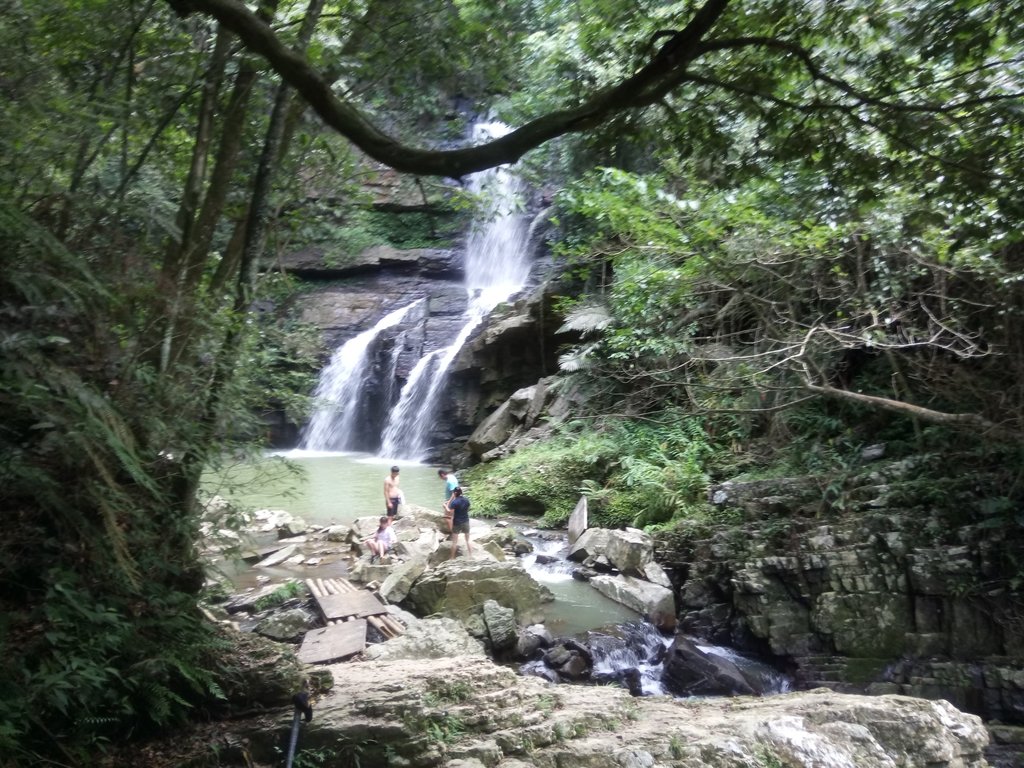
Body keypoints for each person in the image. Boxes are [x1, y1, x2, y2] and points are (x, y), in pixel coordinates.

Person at [443, 486, 472, 560]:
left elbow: (450, 512)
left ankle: (452, 558)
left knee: (455, 542)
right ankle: (471, 556)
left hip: (457, 523)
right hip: (466, 521)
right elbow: (468, 509)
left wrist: (445, 506)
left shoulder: (454, 502)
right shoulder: (466, 500)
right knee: (468, 540)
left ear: (455, 493)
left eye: (453, 492)